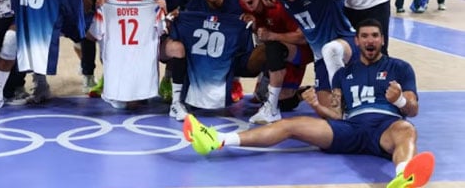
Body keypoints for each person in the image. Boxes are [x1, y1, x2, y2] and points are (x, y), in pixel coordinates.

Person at [183, 19, 435, 188]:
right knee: (290, 124)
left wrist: (399, 99)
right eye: (365, 36)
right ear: (357, 41)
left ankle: (404, 177)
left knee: (407, 129)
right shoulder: (343, 74)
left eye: (375, 36)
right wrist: (316, 106)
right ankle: (217, 139)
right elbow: (337, 114)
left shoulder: (400, 68)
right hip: (351, 128)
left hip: (385, 127)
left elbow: (413, 108)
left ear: (382, 40)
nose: (370, 41)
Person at [265, 0, 381, 107]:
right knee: (329, 109)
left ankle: (346, 91)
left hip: (345, 43)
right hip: (320, 56)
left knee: (331, 50)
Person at [237, 0, 314, 124]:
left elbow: (303, 38)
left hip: (301, 51)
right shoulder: (244, 4)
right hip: (276, 51)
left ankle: (274, 107)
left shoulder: (278, 7)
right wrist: (254, 26)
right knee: (257, 82)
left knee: (283, 101)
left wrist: (272, 35)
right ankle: (273, 85)